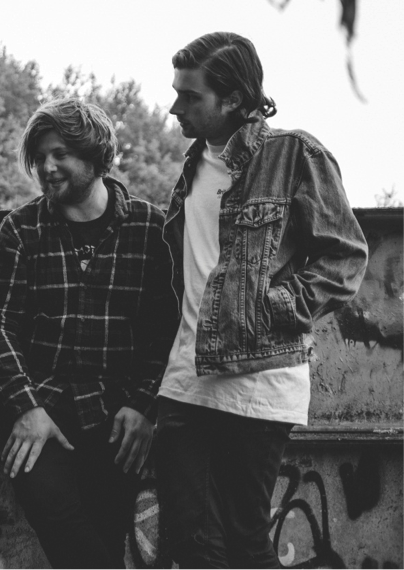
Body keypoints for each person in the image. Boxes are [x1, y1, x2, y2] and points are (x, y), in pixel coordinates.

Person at [155, 32, 369, 569]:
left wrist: (272, 307)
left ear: (233, 98)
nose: (175, 107)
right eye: (176, 92)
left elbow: (345, 257)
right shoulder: (193, 166)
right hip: (185, 380)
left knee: (244, 540)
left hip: (257, 380)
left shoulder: (293, 154)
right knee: (189, 540)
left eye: (190, 96)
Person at [0, 98, 178, 569]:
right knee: (52, 505)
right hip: (44, 410)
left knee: (106, 532)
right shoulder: (21, 229)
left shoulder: (150, 229)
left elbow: (167, 329)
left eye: (60, 154)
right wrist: (27, 406)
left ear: (96, 156)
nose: (46, 168)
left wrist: (143, 405)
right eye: (39, 157)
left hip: (119, 415)